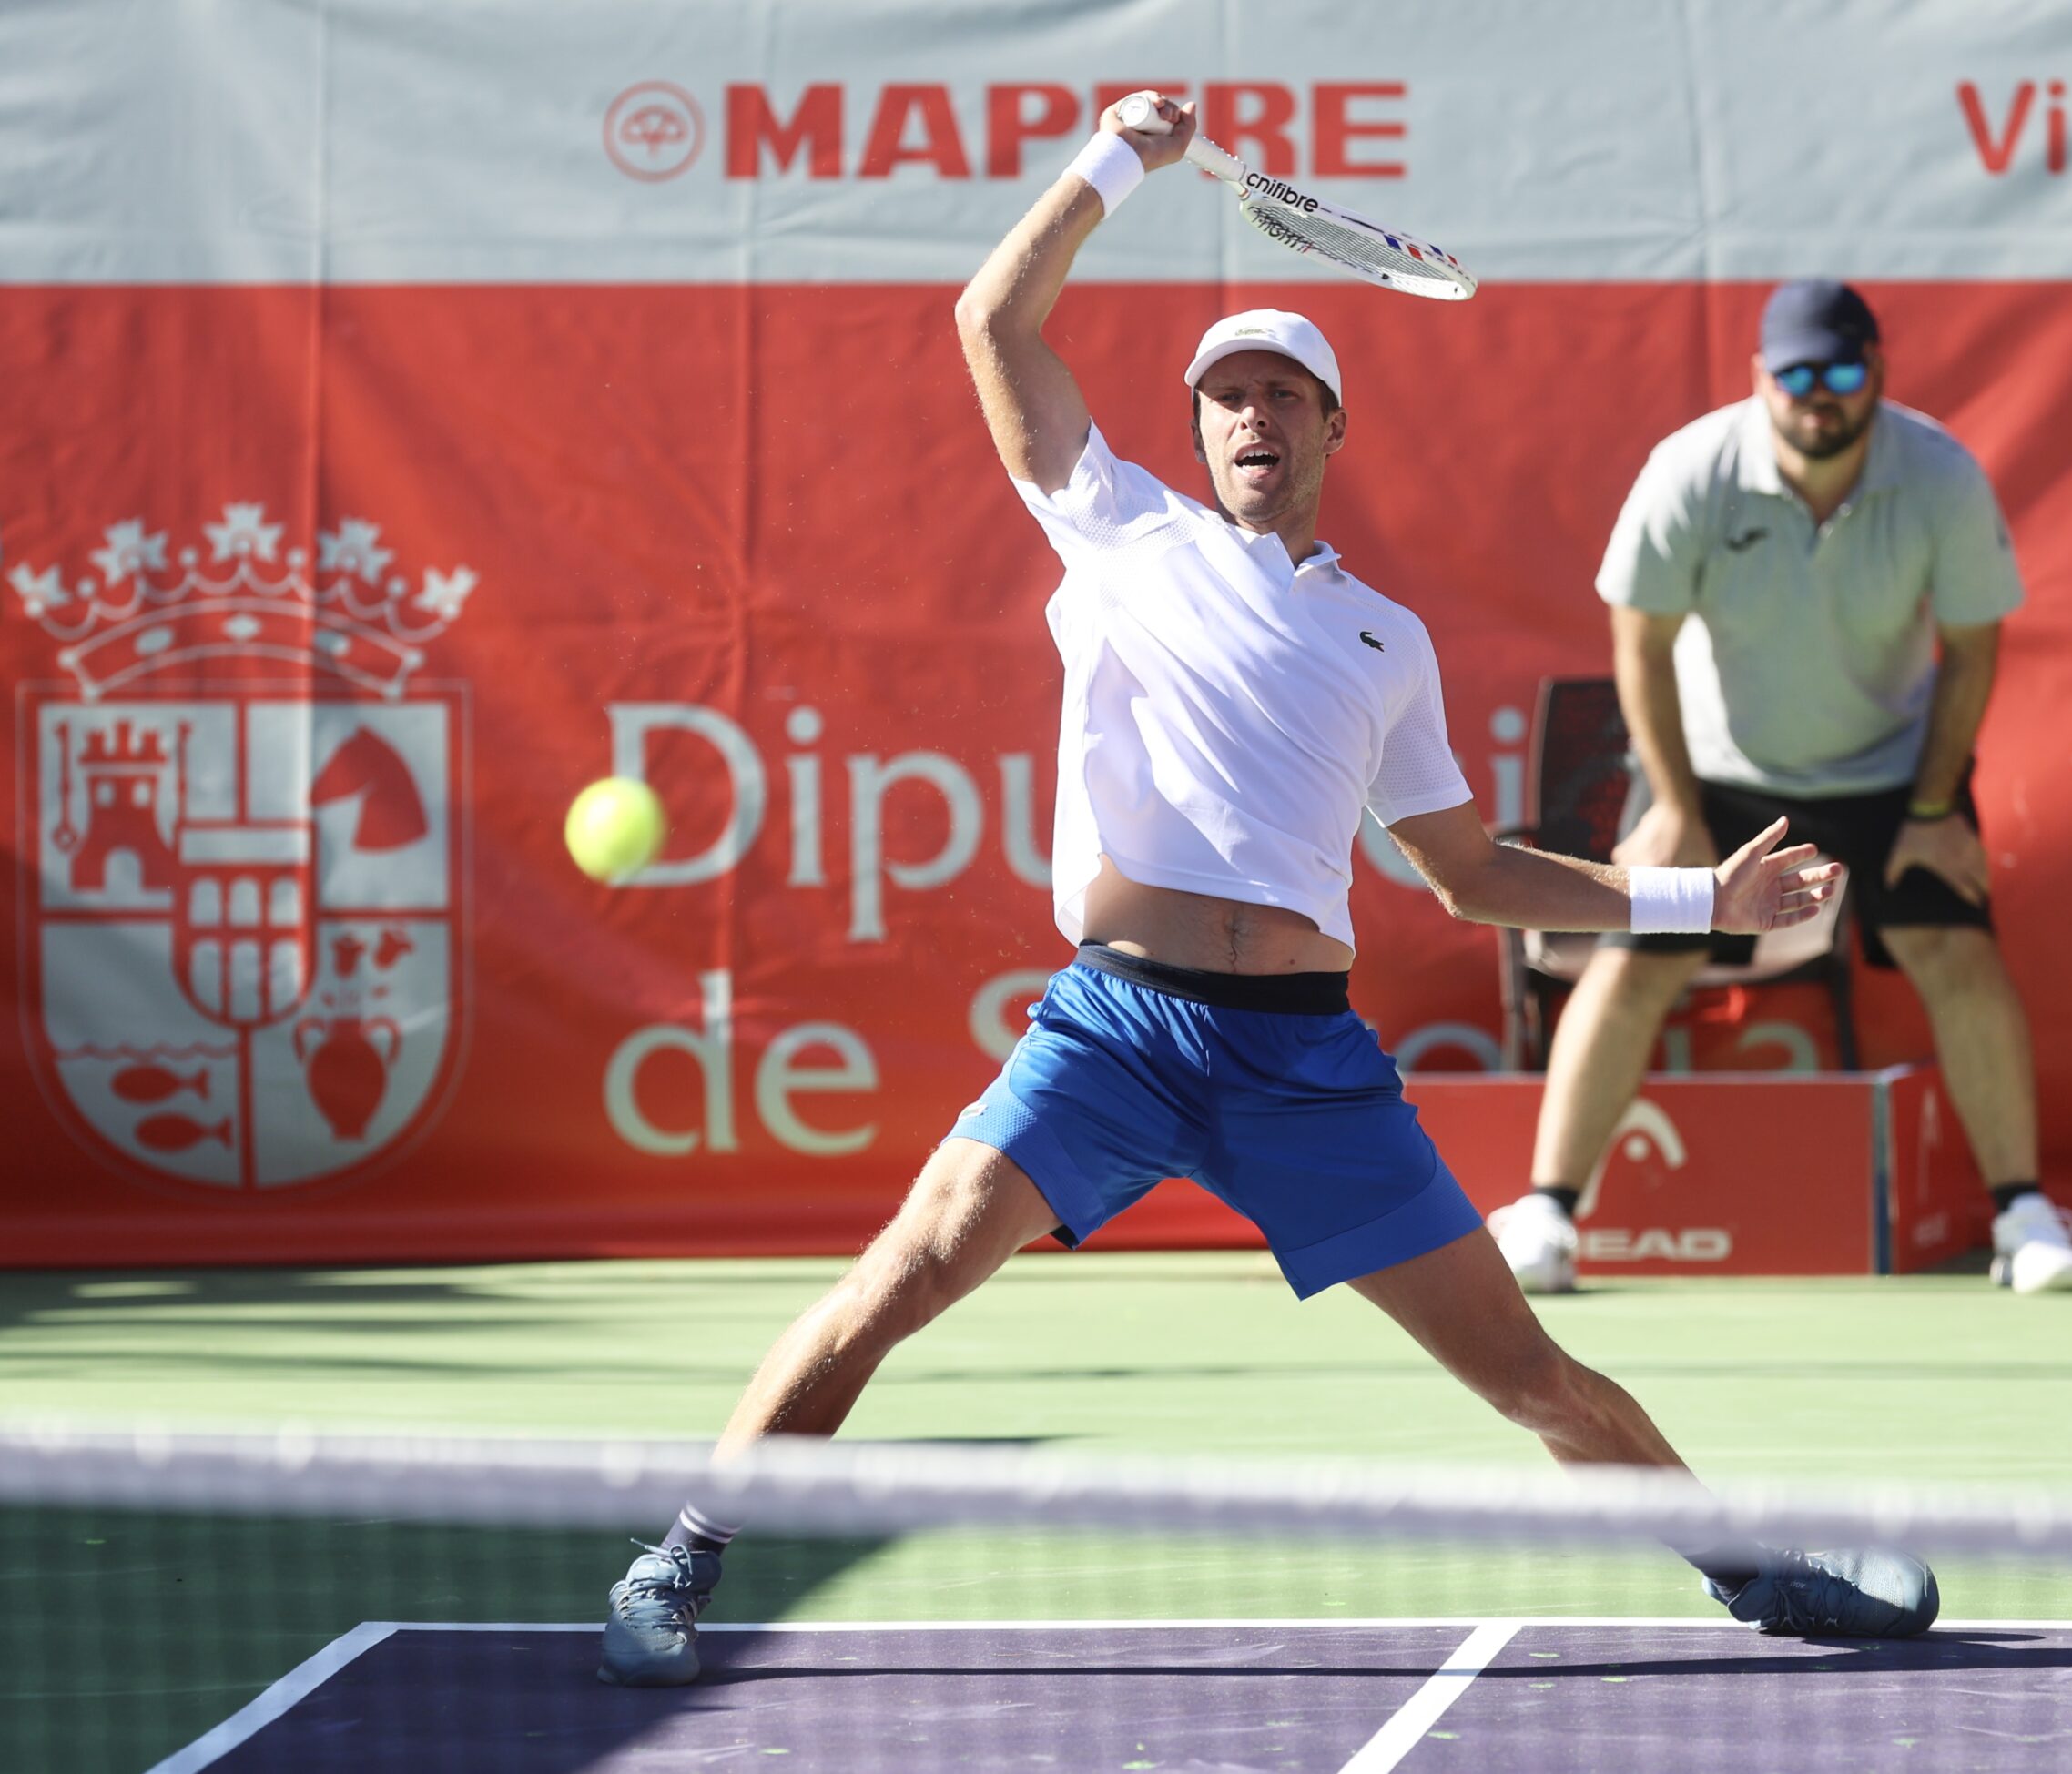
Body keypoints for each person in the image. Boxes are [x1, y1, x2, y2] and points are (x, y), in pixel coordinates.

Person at [598, 102, 1934, 1689]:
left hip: (1307, 1059)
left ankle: (1755, 1564)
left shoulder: (1387, 641)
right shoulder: (1116, 529)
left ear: (1329, 426)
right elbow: (991, 320)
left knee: (1527, 1371)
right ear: (1195, 427)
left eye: (1281, 394)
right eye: (1224, 395)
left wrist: (1696, 897)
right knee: (905, 1267)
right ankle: (680, 1555)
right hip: (1117, 1026)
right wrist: (1114, 158)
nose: (1250, 418)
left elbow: (1468, 869)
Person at [1489, 279, 2072, 1299]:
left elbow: (1971, 648)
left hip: (1893, 772)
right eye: (1799, 374)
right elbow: (1639, 641)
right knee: (1638, 961)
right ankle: (1548, 1211)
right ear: (1762, 380)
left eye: (1843, 372)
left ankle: (2023, 1217)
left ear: (1877, 376)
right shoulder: (1691, 468)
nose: (1822, 395)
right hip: (1717, 772)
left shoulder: (1940, 473)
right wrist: (1673, 804)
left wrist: (1936, 807)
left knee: (1957, 947)